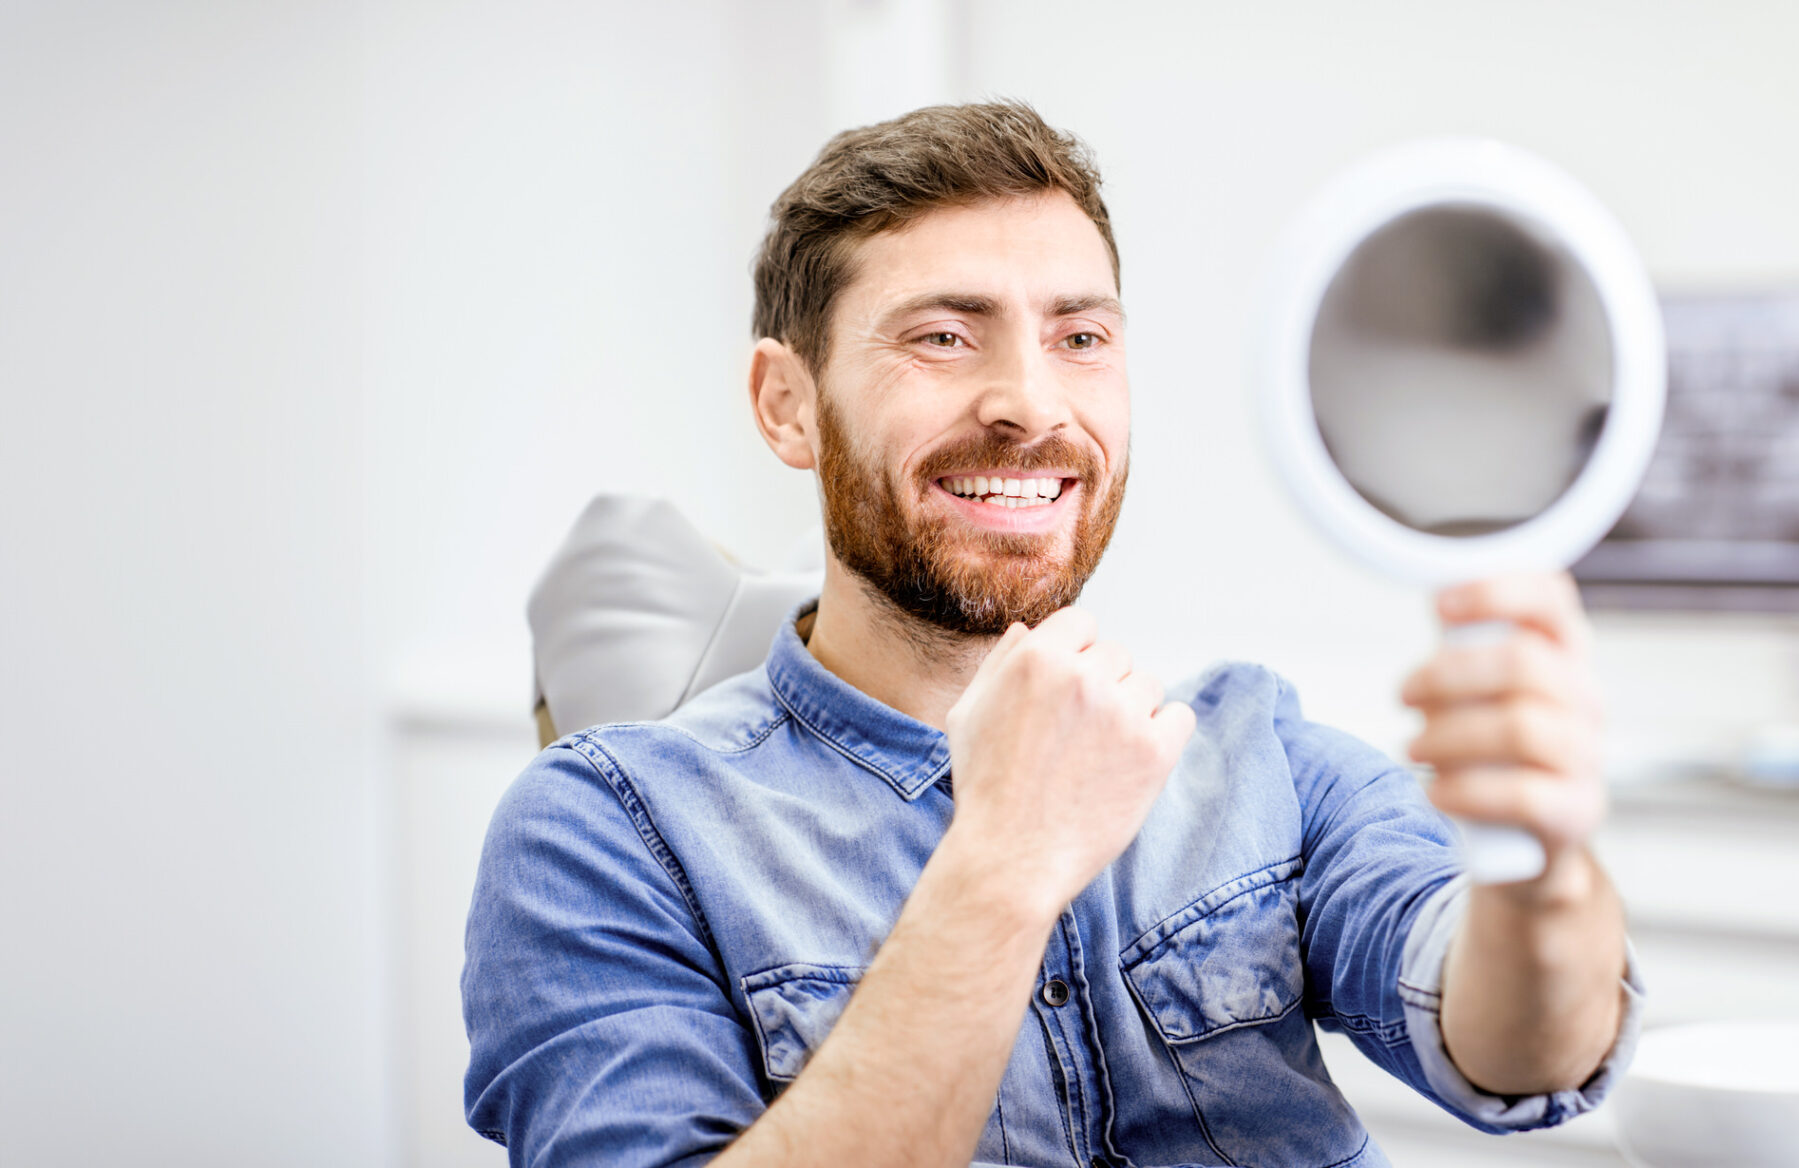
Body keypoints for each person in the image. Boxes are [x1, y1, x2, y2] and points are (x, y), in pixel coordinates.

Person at [462, 101, 1642, 1168]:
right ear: (787, 403)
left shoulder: (1255, 749)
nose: (1031, 402)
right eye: (942, 336)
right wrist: (1002, 865)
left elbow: (1522, 1052)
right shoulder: (603, 832)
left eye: (1080, 337)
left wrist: (1534, 868)